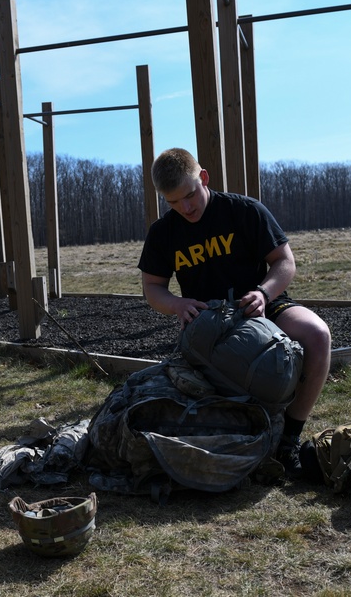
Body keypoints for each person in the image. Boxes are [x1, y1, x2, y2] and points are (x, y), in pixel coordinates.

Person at [138, 147, 331, 478]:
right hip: (207, 325)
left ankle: (289, 439)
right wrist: (178, 304)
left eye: (190, 195)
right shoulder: (163, 233)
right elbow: (152, 289)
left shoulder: (244, 211)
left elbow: (284, 262)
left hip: (261, 306)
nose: (185, 207)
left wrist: (263, 292)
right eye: (173, 202)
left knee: (318, 335)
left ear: (204, 178)